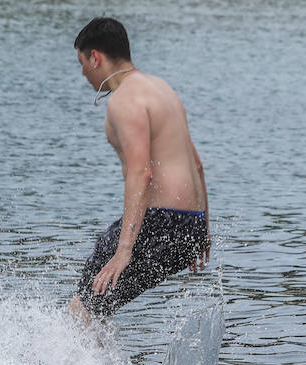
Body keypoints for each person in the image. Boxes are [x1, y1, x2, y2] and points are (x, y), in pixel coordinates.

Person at [67, 17, 209, 325]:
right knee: (95, 308)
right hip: (190, 226)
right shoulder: (163, 90)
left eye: (81, 62)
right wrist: (202, 232)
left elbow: (141, 172)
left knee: (82, 310)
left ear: (95, 57)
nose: (82, 72)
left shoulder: (124, 100)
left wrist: (124, 250)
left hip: (162, 223)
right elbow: (197, 165)